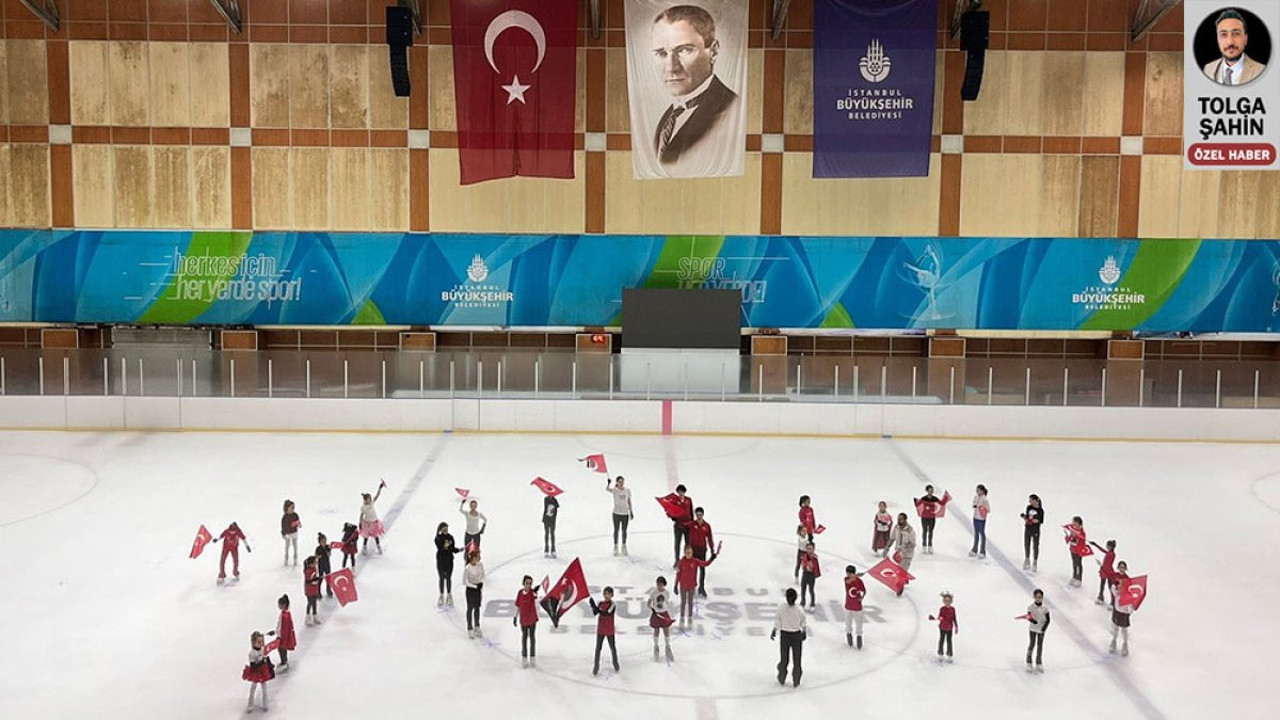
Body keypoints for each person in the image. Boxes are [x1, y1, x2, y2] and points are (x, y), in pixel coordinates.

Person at [647, 5, 740, 172]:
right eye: (662, 53)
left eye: (684, 50)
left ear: (713, 52)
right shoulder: (668, 117)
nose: (671, 68)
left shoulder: (731, 110)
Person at [1202, 9, 1266, 86]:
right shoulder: (1208, 69)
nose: (1230, 42)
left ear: (1245, 39)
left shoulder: (1261, 71)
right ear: (1217, 39)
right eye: (1224, 34)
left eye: (1236, 34)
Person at [771, 588, 807, 687]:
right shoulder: (798, 609)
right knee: (795, 659)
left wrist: (775, 629)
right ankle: (795, 680)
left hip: (786, 636)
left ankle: (783, 677)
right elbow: (803, 621)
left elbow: (777, 619)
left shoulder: (782, 608)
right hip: (795, 636)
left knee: (786, 659)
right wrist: (804, 631)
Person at [675, 544, 715, 624]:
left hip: (691, 586)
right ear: (684, 553)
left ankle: (690, 617)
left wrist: (711, 559)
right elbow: (678, 574)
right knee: (683, 602)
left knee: (690, 602)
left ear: (692, 553)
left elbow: (705, 564)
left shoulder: (695, 561)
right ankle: (682, 617)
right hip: (683, 585)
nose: (688, 554)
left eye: (690, 552)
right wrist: (675, 585)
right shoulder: (681, 562)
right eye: (687, 553)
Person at [589, 587, 620, 675]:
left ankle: (615, 664)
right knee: (598, 648)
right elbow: (596, 612)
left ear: (612, 595)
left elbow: (607, 613)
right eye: (605, 594)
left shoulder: (613, 604)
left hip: (609, 630)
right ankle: (596, 666)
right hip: (601, 629)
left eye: (608, 594)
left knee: (612, 648)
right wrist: (593, 605)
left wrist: (596, 608)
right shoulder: (601, 604)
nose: (607, 596)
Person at [685, 507, 715, 597]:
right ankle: (690, 587)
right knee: (691, 570)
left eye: (700, 515)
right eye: (697, 515)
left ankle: (701, 587)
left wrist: (712, 549)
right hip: (693, 550)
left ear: (703, 515)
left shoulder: (707, 526)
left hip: (702, 550)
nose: (699, 517)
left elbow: (709, 538)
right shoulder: (691, 524)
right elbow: (683, 525)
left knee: (702, 569)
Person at [241, 631, 274, 713]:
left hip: (263, 671)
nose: (261, 643)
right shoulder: (252, 653)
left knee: (264, 689)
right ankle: (250, 704)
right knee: (253, 688)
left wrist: (269, 664)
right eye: (259, 642)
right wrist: (261, 662)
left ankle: (265, 703)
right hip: (255, 672)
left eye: (261, 641)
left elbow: (265, 657)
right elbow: (253, 666)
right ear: (253, 642)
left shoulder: (262, 650)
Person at [514, 575, 540, 668]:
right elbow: (518, 605)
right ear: (523, 583)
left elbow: (536, 600)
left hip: (532, 619)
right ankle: (524, 657)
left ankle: (532, 657)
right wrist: (515, 617)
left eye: (530, 583)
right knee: (524, 638)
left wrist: (536, 592)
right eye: (527, 583)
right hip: (524, 619)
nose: (528, 585)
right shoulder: (520, 593)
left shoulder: (533, 593)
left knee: (532, 638)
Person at [648, 576, 675, 662]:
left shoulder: (666, 593)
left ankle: (668, 647)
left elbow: (665, 603)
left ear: (664, 585)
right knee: (656, 630)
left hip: (664, 613)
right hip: (656, 614)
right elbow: (648, 603)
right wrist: (653, 609)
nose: (659, 586)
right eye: (658, 584)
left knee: (666, 630)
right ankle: (656, 647)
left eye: (661, 585)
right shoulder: (653, 593)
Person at [266, 594, 296, 672]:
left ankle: (284, 663)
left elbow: (283, 627)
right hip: (283, 635)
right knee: (282, 649)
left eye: (279, 604)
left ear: (284, 605)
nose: (278, 606)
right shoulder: (285, 613)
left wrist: (276, 633)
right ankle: (284, 662)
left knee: (281, 649)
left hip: (283, 636)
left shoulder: (284, 615)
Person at [435, 522, 461, 607]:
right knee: (442, 578)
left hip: (449, 560)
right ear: (441, 529)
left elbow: (452, 549)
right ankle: (441, 595)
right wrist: (447, 544)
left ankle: (449, 595)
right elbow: (442, 547)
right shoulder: (438, 538)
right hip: (441, 560)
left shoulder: (450, 537)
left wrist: (459, 550)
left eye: (447, 529)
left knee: (449, 578)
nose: (446, 530)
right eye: (444, 529)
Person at [1109, 561, 1133, 656]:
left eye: (1123, 567)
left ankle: (1125, 644)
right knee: (1115, 627)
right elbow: (1113, 588)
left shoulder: (1128, 580)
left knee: (1124, 629)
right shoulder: (1116, 579)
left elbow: (1131, 593)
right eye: (1120, 567)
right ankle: (1113, 641)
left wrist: (1130, 609)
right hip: (1117, 608)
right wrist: (1117, 589)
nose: (1122, 569)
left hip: (1124, 610)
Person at [608, 476, 634, 556]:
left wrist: (631, 511)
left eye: (622, 481)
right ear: (617, 482)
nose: (621, 483)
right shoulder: (615, 490)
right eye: (620, 481)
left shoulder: (627, 490)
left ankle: (624, 546)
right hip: (616, 513)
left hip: (625, 513)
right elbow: (607, 489)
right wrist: (608, 484)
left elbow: (629, 501)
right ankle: (615, 546)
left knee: (624, 530)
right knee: (616, 530)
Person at [1026, 588, 1051, 672]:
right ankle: (1029, 661)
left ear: (1042, 598)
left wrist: (1043, 628)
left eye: (1040, 597)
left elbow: (1048, 619)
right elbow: (1029, 616)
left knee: (1040, 646)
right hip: (1033, 629)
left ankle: (1039, 662)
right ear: (1034, 597)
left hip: (1041, 630)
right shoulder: (1031, 607)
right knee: (1032, 644)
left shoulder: (1045, 608)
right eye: (1037, 597)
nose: (1038, 599)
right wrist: (1033, 621)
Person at [669, 484, 694, 567]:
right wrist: (673, 517)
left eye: (682, 492)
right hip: (678, 526)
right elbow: (671, 511)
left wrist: (692, 523)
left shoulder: (688, 500)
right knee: (677, 544)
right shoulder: (675, 501)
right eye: (679, 492)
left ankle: (687, 559)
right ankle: (677, 560)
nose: (681, 493)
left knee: (688, 544)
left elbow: (691, 512)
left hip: (688, 526)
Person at [914, 485, 943, 554]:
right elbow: (918, 504)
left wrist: (945, 499)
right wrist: (915, 501)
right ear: (927, 491)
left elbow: (941, 504)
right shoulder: (923, 498)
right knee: (924, 531)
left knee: (931, 531)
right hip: (924, 517)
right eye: (930, 490)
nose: (931, 491)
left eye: (932, 490)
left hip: (932, 517)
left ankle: (930, 545)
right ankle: (924, 545)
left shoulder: (935, 499)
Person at [464, 550, 485, 638]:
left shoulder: (480, 565)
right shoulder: (467, 568)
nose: (479, 558)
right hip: (470, 590)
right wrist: (474, 586)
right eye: (477, 556)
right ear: (472, 558)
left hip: (478, 589)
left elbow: (483, 575)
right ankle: (469, 627)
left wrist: (481, 582)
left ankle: (477, 626)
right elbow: (464, 582)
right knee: (470, 608)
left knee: (477, 608)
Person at [844, 565, 866, 649]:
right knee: (848, 623)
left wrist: (861, 597)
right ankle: (849, 635)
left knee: (859, 624)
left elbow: (863, 591)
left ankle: (859, 637)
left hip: (857, 607)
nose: (847, 574)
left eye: (848, 573)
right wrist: (855, 576)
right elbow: (848, 582)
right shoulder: (846, 579)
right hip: (848, 606)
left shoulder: (859, 581)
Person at [359, 484, 385, 555]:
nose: (369, 500)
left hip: (374, 522)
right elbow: (361, 515)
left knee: (376, 536)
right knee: (366, 536)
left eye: (369, 499)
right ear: (365, 500)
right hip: (367, 523)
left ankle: (378, 546)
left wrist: (380, 488)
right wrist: (360, 523)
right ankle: (364, 547)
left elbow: (377, 496)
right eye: (367, 499)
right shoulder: (363, 507)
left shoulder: (372, 503)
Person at [1020, 494, 1044, 571]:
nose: (1029, 501)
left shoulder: (1040, 510)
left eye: (1031, 500)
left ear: (1035, 500)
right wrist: (1025, 517)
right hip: (1028, 528)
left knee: (1035, 545)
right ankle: (1027, 559)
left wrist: (1032, 520)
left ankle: (1035, 561)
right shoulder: (1029, 507)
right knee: (1027, 544)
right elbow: (1027, 517)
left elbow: (1040, 521)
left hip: (1035, 529)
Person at [1091, 539, 1118, 606]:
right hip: (1104, 571)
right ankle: (1101, 597)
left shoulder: (1111, 554)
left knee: (1110, 587)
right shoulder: (1109, 553)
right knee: (1102, 585)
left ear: (1111, 547)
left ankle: (1113, 601)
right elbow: (1103, 550)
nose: (1107, 547)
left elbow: (1108, 564)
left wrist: (1102, 567)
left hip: (1108, 572)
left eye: (1108, 546)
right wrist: (1095, 544)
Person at [933, 591, 958, 663]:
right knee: (942, 640)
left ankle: (949, 654)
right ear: (944, 601)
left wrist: (956, 626)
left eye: (949, 601)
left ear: (951, 601)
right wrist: (939, 618)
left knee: (949, 641)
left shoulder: (953, 609)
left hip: (949, 628)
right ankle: (940, 653)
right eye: (946, 601)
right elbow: (940, 616)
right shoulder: (942, 609)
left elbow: (954, 618)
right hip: (942, 627)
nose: (947, 603)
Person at [1064, 516, 1089, 588]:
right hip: (1072, 550)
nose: (1072, 523)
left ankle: (1079, 578)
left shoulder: (1081, 532)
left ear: (1078, 523)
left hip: (1078, 551)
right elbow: (1070, 537)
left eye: (1074, 522)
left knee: (1078, 564)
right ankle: (1074, 576)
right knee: (1074, 563)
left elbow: (1082, 543)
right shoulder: (1073, 530)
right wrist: (1067, 538)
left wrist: (1081, 551)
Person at [303, 555, 324, 625]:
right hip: (309, 590)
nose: (316, 563)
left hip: (314, 589)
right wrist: (317, 579)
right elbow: (309, 581)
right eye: (315, 562)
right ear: (310, 564)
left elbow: (315, 577)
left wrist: (318, 578)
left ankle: (315, 615)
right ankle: (307, 616)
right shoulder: (308, 571)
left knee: (314, 603)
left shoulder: (314, 568)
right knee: (310, 603)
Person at [799, 542, 820, 611]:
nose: (810, 550)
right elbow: (803, 564)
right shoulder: (804, 556)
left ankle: (812, 604)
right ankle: (802, 603)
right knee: (803, 589)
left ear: (814, 549)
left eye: (811, 549)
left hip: (811, 576)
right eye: (808, 549)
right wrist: (806, 566)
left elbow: (816, 568)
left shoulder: (815, 558)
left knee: (811, 590)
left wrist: (812, 568)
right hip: (805, 574)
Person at [970, 484, 990, 558]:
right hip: (975, 517)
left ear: (982, 491)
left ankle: (982, 551)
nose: (977, 491)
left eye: (978, 490)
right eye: (976, 490)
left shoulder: (985, 500)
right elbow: (973, 505)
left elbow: (988, 509)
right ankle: (974, 549)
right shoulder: (975, 497)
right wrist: (974, 506)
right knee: (976, 533)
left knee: (982, 533)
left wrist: (982, 508)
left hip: (981, 519)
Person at [280, 500, 301, 567]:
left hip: (294, 533)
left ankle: (295, 559)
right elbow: (283, 527)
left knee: (295, 547)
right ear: (287, 508)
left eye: (293, 507)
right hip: (288, 534)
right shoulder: (285, 517)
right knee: (287, 547)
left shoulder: (295, 515)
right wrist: (284, 534)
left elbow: (298, 522)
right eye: (291, 507)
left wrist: (298, 524)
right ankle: (286, 559)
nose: (293, 509)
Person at [314, 533, 334, 598]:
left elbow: (329, 555)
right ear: (319, 542)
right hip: (321, 565)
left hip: (327, 564)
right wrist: (318, 556)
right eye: (323, 541)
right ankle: (318, 591)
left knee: (328, 577)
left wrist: (328, 551)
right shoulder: (318, 548)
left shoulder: (327, 547)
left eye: (325, 541)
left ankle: (328, 589)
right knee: (320, 578)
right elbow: (316, 556)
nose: (324, 543)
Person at [542, 494, 560, 559]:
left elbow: (557, 506)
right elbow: (546, 505)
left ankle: (553, 550)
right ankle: (546, 549)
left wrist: (554, 501)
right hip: (546, 519)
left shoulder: (555, 500)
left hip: (552, 520)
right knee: (546, 533)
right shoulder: (546, 499)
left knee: (552, 534)